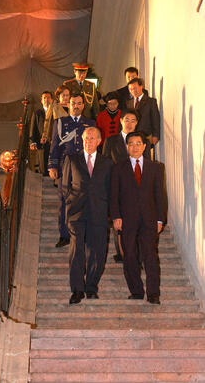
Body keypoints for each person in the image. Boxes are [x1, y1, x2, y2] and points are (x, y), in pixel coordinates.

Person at [110, 131, 164, 305]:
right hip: (127, 220)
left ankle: (153, 293)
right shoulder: (118, 167)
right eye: (131, 144)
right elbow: (114, 195)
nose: (134, 147)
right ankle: (136, 291)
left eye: (138, 143)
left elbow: (160, 196)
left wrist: (160, 220)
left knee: (150, 256)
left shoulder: (155, 167)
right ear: (127, 147)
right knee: (130, 256)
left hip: (149, 220)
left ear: (144, 146)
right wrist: (116, 216)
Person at [62, 127, 113, 304]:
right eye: (85, 138)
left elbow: (111, 189)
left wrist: (110, 211)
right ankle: (77, 289)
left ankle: (91, 287)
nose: (88, 141)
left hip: (98, 213)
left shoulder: (107, 162)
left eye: (92, 138)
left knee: (97, 252)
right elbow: (64, 185)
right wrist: (70, 202)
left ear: (99, 141)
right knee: (76, 251)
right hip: (77, 212)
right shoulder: (72, 158)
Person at [103, 109, 151, 263]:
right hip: (117, 188)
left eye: (133, 120)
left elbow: (147, 166)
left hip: (137, 190)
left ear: (137, 123)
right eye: (127, 120)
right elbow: (104, 164)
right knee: (119, 223)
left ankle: (135, 258)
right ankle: (123, 254)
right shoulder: (110, 141)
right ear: (121, 120)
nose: (130, 123)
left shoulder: (144, 142)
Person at [48, 93, 95, 248]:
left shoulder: (90, 123)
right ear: (68, 104)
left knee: (84, 199)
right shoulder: (60, 122)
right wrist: (53, 166)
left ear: (83, 105)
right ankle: (64, 235)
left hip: (84, 164)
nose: (76, 106)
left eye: (79, 103)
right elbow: (55, 145)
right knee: (64, 200)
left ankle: (84, 233)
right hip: (65, 165)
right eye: (73, 103)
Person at [126, 78, 160, 146]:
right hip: (132, 137)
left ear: (141, 86)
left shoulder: (150, 101)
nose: (133, 91)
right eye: (131, 89)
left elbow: (155, 119)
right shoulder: (128, 103)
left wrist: (156, 135)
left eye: (135, 88)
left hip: (146, 135)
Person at [29, 91, 53, 175]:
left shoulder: (56, 112)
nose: (47, 100)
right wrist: (33, 142)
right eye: (44, 98)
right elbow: (33, 128)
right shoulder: (37, 113)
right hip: (42, 145)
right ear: (41, 101)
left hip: (53, 144)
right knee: (43, 167)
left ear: (52, 100)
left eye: (48, 97)